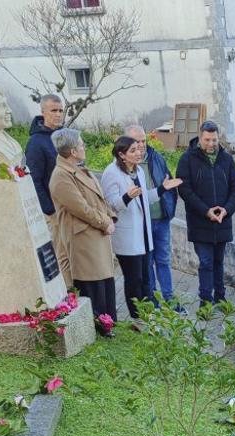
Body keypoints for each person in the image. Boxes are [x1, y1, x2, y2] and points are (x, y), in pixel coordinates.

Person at [100, 136, 182, 318]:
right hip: (127, 237)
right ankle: (136, 317)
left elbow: (145, 198)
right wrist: (127, 197)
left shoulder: (139, 172)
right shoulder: (111, 173)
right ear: (122, 154)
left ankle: (148, 315)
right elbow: (110, 205)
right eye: (133, 150)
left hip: (144, 234)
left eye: (139, 148)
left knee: (145, 278)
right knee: (133, 279)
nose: (139, 153)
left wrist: (162, 188)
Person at [48, 128, 117, 334]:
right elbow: (81, 208)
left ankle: (107, 323)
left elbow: (99, 199)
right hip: (84, 238)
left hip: (96, 234)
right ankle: (97, 326)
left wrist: (109, 216)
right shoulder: (61, 176)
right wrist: (104, 223)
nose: (83, 147)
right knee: (92, 283)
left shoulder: (78, 169)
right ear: (71, 151)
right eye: (80, 144)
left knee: (104, 280)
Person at [175, 120, 235, 304]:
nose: (211, 144)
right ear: (200, 137)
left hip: (222, 220)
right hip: (200, 221)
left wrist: (226, 210)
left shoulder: (226, 159)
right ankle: (205, 300)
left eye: (214, 140)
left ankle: (220, 297)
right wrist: (206, 211)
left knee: (219, 261)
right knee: (206, 262)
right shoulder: (187, 159)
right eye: (207, 140)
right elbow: (185, 189)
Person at [124, 124, 181, 309]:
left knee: (163, 260)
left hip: (161, 219)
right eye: (136, 141)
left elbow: (168, 184)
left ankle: (170, 300)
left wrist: (169, 210)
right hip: (141, 223)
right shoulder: (122, 166)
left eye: (143, 141)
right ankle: (153, 300)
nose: (141, 145)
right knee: (147, 263)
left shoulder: (156, 158)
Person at [26, 94, 67, 277]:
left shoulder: (63, 136)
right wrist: (50, 210)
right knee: (61, 254)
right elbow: (34, 179)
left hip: (69, 205)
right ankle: (68, 295)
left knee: (72, 252)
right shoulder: (36, 142)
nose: (58, 115)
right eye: (54, 111)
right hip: (54, 209)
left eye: (61, 111)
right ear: (43, 112)